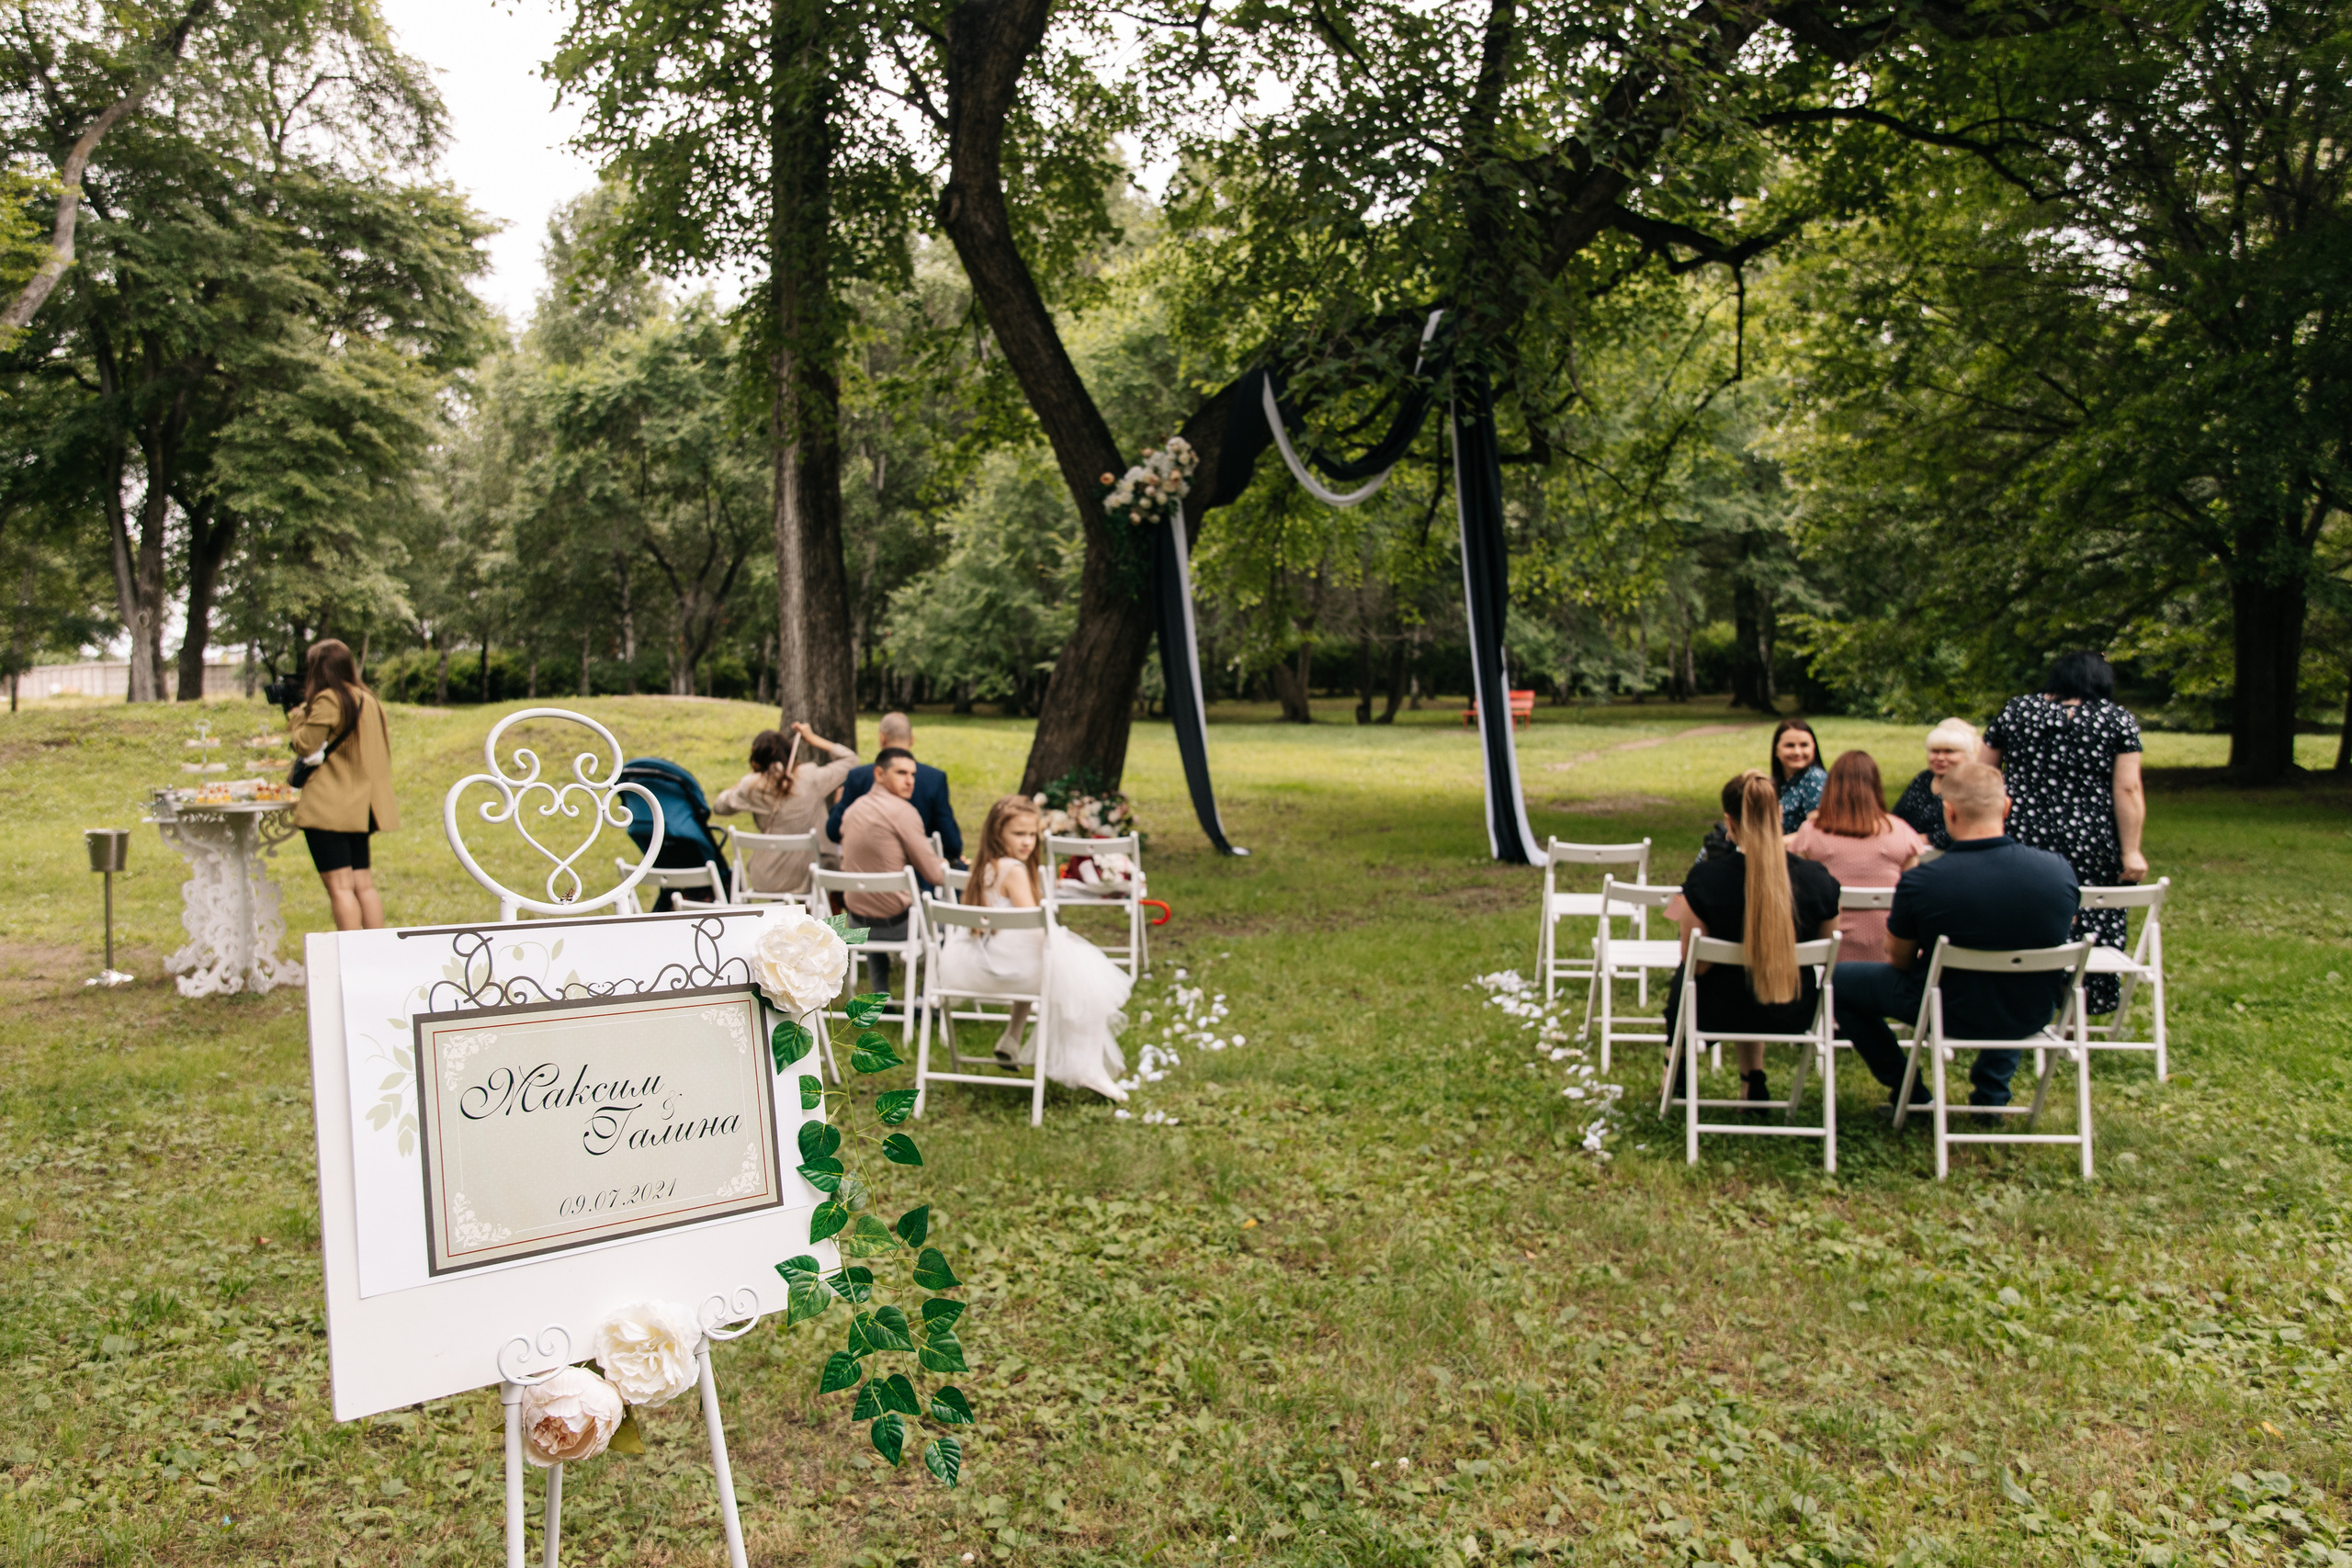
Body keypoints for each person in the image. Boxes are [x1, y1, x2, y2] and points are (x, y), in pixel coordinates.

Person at [1831, 762, 2080, 1113]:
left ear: (1948, 811)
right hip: (2030, 1009)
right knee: (2012, 974)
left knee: (1837, 980)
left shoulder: (1924, 880)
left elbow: (1899, 960)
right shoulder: (2057, 870)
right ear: (2006, 806)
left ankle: (1909, 1090)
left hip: (1944, 1009)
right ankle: (1992, 1096)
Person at [934, 795, 1134, 1100]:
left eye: (1031, 834)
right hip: (1000, 971)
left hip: (970, 963)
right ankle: (1087, 1067)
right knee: (1081, 977)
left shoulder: (984, 865)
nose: (1027, 842)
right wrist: (1068, 953)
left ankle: (1012, 1039)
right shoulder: (1013, 869)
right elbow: (1034, 925)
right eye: (1018, 834)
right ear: (997, 833)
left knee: (1048, 960)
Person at [1981, 651, 2148, 1014]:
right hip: (2090, 837)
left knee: (2020, 910)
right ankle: (2076, 1012)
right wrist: (2131, 851)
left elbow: (1984, 775)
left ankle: (2015, 1001)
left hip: (2022, 831)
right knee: (2091, 914)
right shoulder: (2116, 719)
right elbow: (2128, 789)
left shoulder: (2017, 711)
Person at [1665, 771, 1843, 1104]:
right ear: (1778, 815)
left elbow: (1696, 965)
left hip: (1717, 1013)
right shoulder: (1817, 880)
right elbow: (1828, 948)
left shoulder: (1706, 881)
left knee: (1685, 979)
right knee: (1744, 981)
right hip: (1793, 1012)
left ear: (1728, 822)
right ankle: (1753, 1079)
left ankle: (1672, 1065)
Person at [285, 638, 398, 931]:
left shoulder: (329, 699)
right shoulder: (368, 699)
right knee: (364, 886)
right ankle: (374, 954)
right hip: (363, 807)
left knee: (340, 887)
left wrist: (297, 718)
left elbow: (305, 746)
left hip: (330, 808)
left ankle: (351, 958)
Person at [1790, 750, 1926, 964]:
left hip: (1828, 956)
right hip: (1889, 955)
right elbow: (1913, 900)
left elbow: (1801, 898)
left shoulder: (1810, 834)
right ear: (1875, 786)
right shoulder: (1902, 833)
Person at [837, 748, 951, 995]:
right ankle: (925, 995)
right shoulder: (903, 812)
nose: (910, 780)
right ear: (879, 774)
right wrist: (944, 865)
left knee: (875, 900)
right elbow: (935, 875)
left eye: (912, 774)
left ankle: (879, 996)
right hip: (897, 926)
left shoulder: (852, 810)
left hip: (856, 923)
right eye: (901, 773)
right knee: (953, 923)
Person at [711, 721, 859, 897]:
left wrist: (751, 776)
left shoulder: (751, 787)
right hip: (808, 878)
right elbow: (851, 760)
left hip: (767, 878)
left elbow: (719, 806)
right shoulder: (810, 778)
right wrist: (812, 739)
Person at [826, 712, 963, 863]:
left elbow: (833, 832)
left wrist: (837, 805)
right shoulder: (934, 779)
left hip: (864, 879)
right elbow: (953, 843)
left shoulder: (857, 777)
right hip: (920, 878)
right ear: (912, 740)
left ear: (882, 739)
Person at [1891, 718, 1979, 852]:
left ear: (1968, 755)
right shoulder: (1924, 779)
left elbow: (1971, 828)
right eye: (1935, 751)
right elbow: (1897, 817)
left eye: (1949, 751)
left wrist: (1924, 839)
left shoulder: (1974, 784)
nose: (1940, 757)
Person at [1770, 718, 1826, 832]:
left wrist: (1773, 845)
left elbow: (1815, 833)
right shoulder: (1776, 783)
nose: (1797, 752)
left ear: (1813, 748)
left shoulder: (1816, 780)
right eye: (1790, 745)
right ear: (1776, 750)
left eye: (1804, 745)